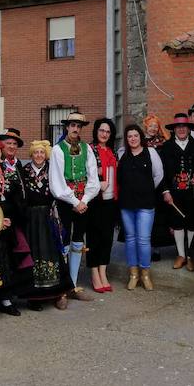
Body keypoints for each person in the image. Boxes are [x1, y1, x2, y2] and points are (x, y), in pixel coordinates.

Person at [48, 111, 99, 301]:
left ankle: (74, 285)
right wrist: (75, 201)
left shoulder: (87, 149)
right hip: (65, 202)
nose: (75, 129)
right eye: (72, 126)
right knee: (64, 241)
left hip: (84, 202)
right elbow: (57, 183)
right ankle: (62, 287)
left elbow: (93, 178)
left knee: (78, 239)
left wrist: (85, 200)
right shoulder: (58, 149)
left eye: (78, 126)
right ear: (66, 127)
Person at [0, 139, 32, 318]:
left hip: (8, 225)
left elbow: (16, 199)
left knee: (8, 262)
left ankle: (6, 299)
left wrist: (10, 218)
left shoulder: (7, 174)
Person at [21, 140, 75, 310]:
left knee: (52, 251)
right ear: (31, 154)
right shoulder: (24, 171)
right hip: (31, 218)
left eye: (41, 152)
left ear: (46, 154)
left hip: (48, 216)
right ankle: (34, 297)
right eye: (36, 152)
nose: (39, 155)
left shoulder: (52, 169)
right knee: (34, 252)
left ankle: (57, 293)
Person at [117, 124, 170, 290]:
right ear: (127, 139)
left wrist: (146, 189)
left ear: (140, 137)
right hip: (126, 204)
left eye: (135, 135)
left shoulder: (151, 153)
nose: (133, 139)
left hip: (146, 203)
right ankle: (134, 274)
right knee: (131, 240)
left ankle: (145, 274)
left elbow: (158, 175)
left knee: (144, 239)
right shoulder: (121, 154)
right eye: (129, 136)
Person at [159, 113, 194, 271]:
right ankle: (181, 255)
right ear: (174, 130)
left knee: (192, 224)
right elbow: (161, 173)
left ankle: (191, 256)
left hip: (193, 193)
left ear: (189, 129)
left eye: (184, 127)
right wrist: (165, 191)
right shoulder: (166, 147)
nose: (181, 129)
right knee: (178, 224)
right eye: (178, 127)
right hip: (174, 193)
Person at [88, 118, 119, 293]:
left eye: (108, 131)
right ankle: (94, 273)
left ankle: (103, 271)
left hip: (110, 201)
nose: (104, 134)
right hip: (95, 201)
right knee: (94, 237)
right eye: (102, 130)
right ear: (96, 131)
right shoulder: (90, 150)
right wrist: (97, 182)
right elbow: (84, 173)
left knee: (107, 237)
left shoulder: (112, 151)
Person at [143, 113, 173, 261]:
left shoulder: (163, 142)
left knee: (158, 217)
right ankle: (144, 246)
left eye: (156, 126)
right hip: (144, 183)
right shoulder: (140, 142)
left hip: (160, 182)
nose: (153, 128)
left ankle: (156, 248)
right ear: (146, 127)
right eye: (151, 126)